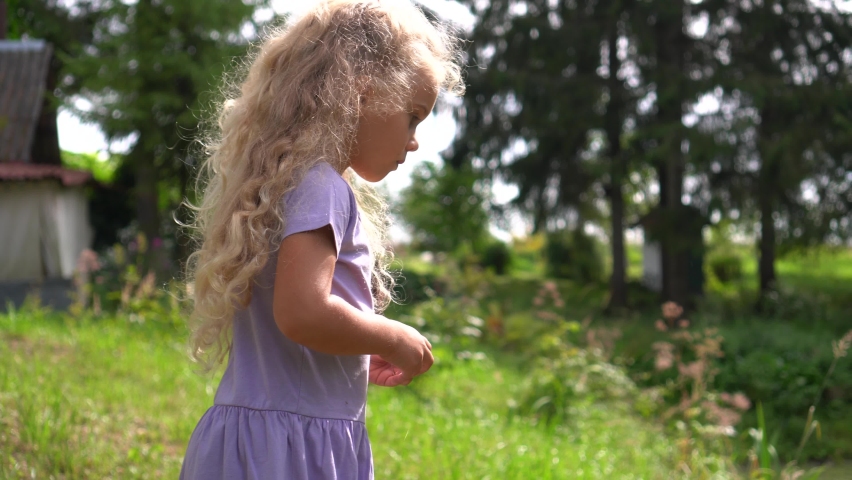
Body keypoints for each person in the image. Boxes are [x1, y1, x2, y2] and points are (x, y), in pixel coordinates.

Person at [179, 1, 464, 478]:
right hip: (291, 453)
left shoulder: (287, 184)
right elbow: (303, 313)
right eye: (413, 116)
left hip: (257, 441)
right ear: (361, 94)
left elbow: (298, 326)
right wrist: (393, 336)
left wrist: (356, 342)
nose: (414, 140)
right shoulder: (323, 187)